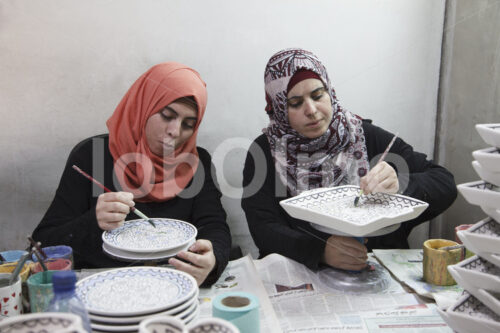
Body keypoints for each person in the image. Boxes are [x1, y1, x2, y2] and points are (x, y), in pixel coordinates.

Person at [241, 48, 457, 272]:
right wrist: (319, 250)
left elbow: (445, 183)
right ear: (278, 108)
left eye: (318, 96)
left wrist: (400, 185)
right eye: (295, 103)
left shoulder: (363, 136)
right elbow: (263, 227)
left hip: (379, 273)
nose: (312, 110)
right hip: (306, 274)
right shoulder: (266, 151)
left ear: (330, 92)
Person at [33, 62, 231, 286]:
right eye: (167, 115)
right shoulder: (91, 156)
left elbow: (214, 226)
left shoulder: (196, 161)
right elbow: (42, 245)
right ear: (142, 108)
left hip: (173, 285)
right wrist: (92, 222)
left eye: (188, 124)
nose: (175, 132)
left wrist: (213, 260)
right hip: (102, 287)